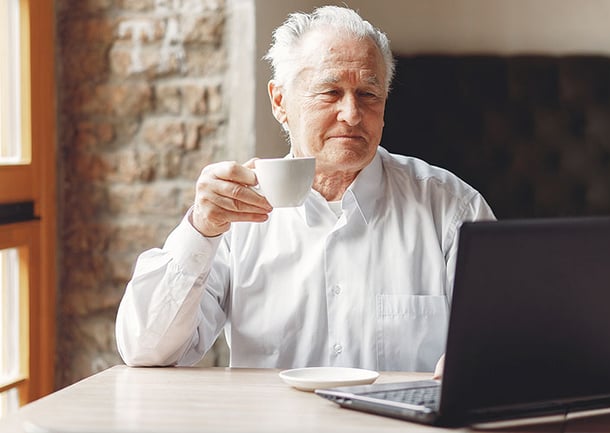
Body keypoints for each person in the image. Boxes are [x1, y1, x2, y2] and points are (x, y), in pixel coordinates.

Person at [115, 5, 495, 375]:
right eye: (330, 92)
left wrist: (481, 361)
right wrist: (200, 229)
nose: (351, 114)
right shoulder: (236, 214)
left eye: (368, 95)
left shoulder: (451, 208)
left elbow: (505, 340)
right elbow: (146, 350)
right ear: (280, 102)